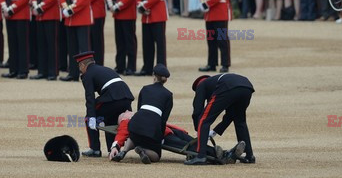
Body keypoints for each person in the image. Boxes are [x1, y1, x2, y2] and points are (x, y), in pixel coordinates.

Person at [109, 110, 245, 164]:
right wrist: (116, 145)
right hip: (164, 137)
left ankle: (222, 153)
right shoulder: (127, 122)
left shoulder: (139, 115)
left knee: (194, 142)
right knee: (191, 147)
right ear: (122, 118)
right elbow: (122, 134)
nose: (127, 111)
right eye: (124, 113)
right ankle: (223, 155)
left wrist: (181, 131)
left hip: (171, 132)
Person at [185, 73, 255, 165]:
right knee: (240, 120)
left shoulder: (201, 84)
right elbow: (229, 116)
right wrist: (214, 132)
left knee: (204, 119)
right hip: (247, 86)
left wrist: (199, 130)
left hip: (228, 86)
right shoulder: (214, 82)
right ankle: (250, 156)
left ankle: (201, 156)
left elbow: (197, 112)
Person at [74, 51, 134, 157]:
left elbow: (90, 98)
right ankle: (112, 148)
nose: (80, 70)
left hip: (112, 99)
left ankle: (94, 149)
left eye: (79, 67)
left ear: (82, 65)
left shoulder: (87, 74)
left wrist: (92, 117)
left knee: (89, 117)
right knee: (110, 119)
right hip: (126, 98)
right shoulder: (104, 69)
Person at [113, 64, 172, 164]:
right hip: (152, 127)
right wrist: (159, 136)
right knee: (156, 156)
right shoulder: (168, 94)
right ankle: (142, 150)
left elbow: (139, 108)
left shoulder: (145, 89)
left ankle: (123, 151)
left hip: (137, 122)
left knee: (133, 136)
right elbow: (163, 119)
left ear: (154, 76)